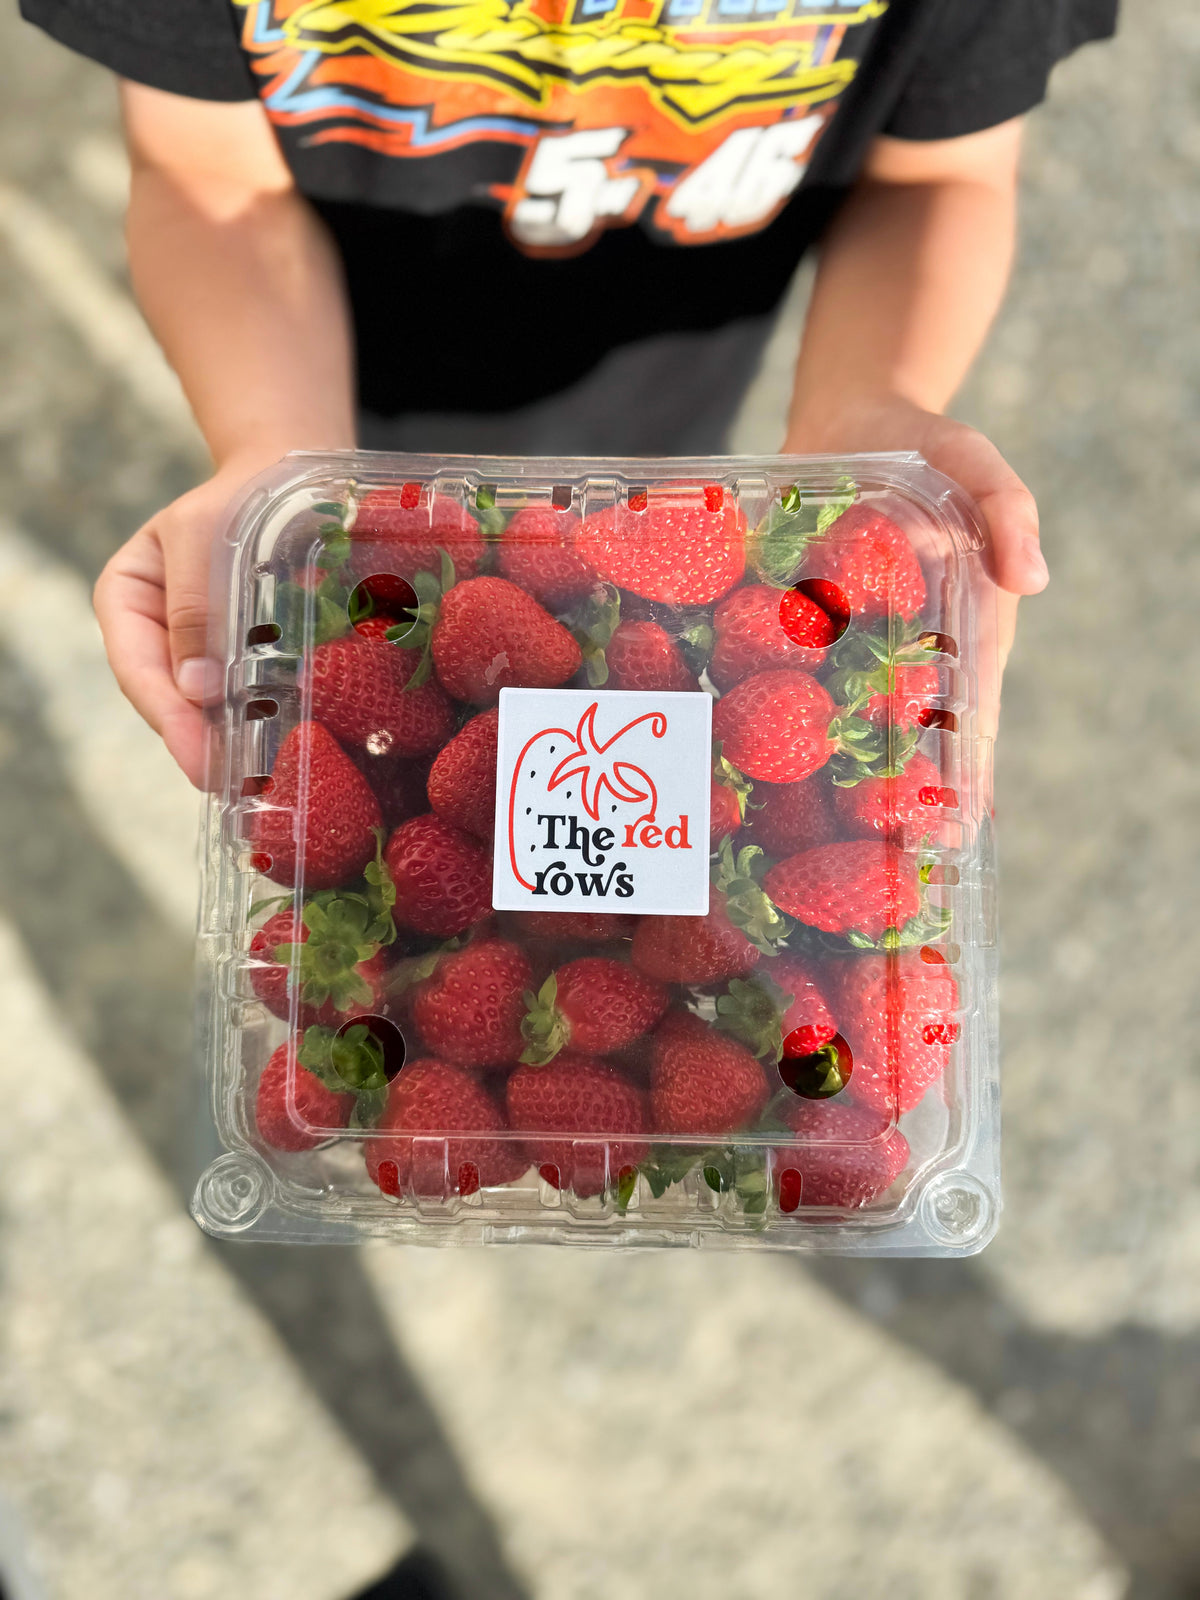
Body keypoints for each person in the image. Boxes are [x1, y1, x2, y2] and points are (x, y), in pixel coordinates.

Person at [24, 0, 1115, 787]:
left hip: (671, 399)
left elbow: (939, 173)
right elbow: (209, 175)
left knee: (621, 630)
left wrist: (865, 413)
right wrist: (279, 460)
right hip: (326, 367)